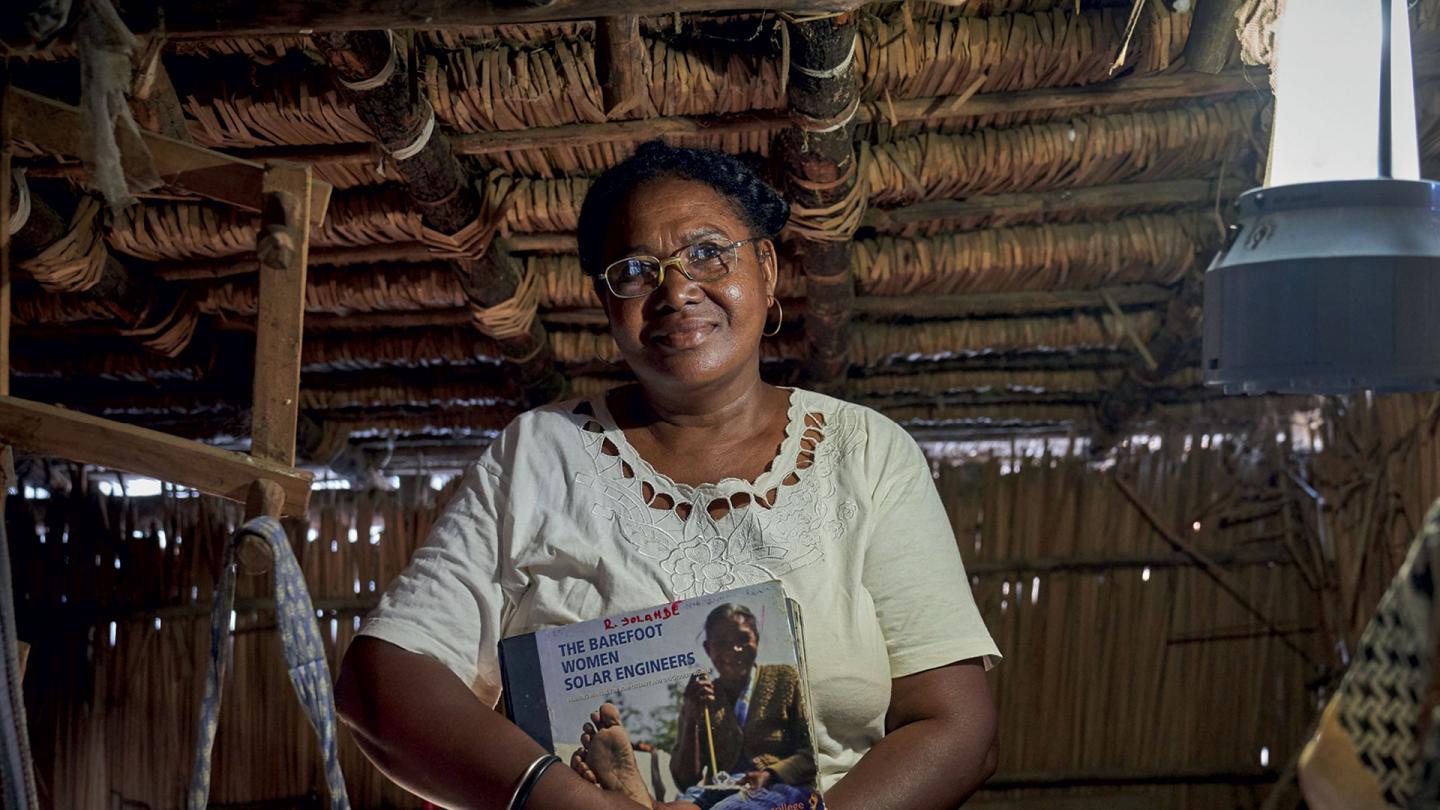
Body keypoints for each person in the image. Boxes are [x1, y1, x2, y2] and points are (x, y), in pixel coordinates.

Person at [333, 141, 1002, 810]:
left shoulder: (866, 453)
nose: (676, 290)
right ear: (606, 300)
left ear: (766, 269)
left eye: (709, 252)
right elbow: (381, 678)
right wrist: (566, 801)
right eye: (634, 269)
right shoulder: (538, 455)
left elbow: (956, 726)